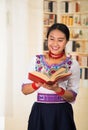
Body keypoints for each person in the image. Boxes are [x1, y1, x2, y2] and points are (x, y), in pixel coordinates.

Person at [21, 23, 80, 130]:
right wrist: (37, 83)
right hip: (40, 111)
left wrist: (57, 89)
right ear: (47, 39)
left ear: (66, 41)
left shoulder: (73, 63)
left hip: (62, 113)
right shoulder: (36, 60)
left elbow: (72, 96)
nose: (55, 44)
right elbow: (24, 90)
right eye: (52, 39)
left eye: (60, 40)